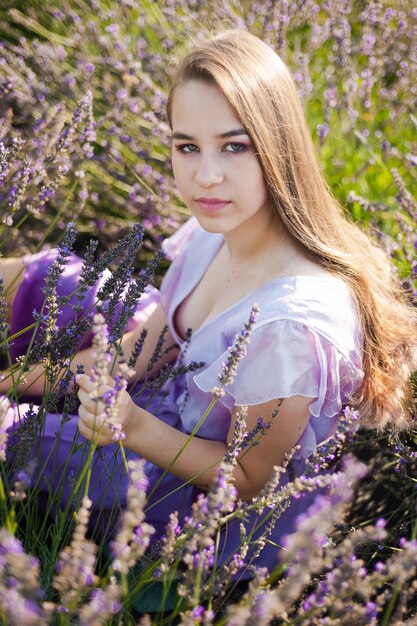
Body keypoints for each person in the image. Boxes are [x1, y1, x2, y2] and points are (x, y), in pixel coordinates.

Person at [2, 30, 417, 579]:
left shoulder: (288, 325)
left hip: (180, 492)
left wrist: (133, 425)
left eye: (234, 146)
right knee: (29, 277)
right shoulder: (216, 224)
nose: (205, 176)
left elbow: (246, 479)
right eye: (187, 146)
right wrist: (16, 379)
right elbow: (147, 349)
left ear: (279, 146)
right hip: (164, 388)